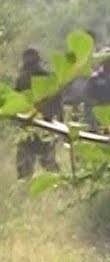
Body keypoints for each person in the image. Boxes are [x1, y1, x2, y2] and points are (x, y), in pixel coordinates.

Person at [13, 47, 62, 178]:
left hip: (44, 123)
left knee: (48, 160)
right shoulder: (22, 79)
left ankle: (59, 185)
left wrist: (57, 120)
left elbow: (57, 100)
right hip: (28, 124)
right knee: (25, 162)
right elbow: (16, 101)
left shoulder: (46, 77)